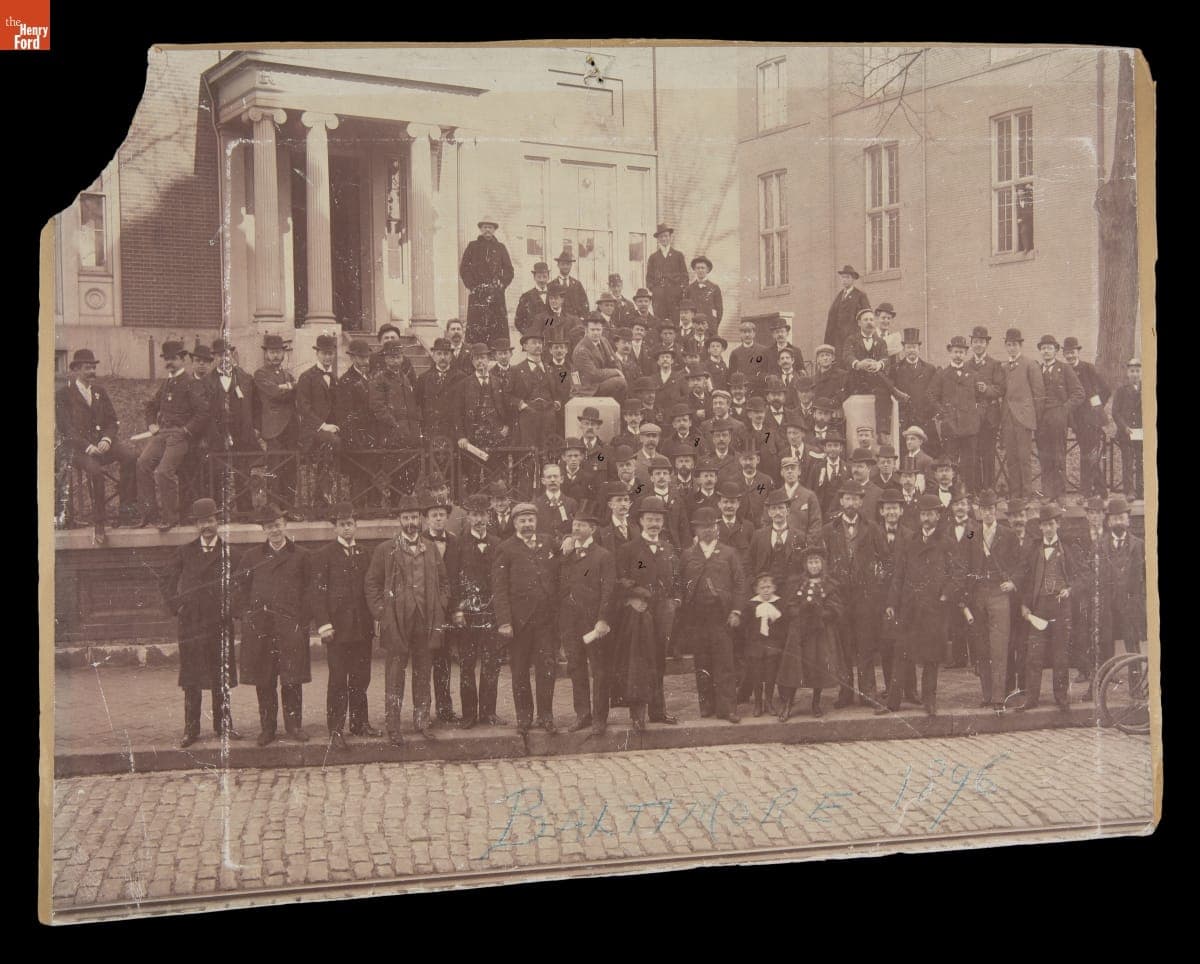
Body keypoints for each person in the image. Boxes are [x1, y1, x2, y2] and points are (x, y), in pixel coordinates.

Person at [366, 495, 450, 744]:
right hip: (397, 621)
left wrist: (441, 606)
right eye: (406, 518)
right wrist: (382, 613)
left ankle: (422, 721)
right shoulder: (386, 550)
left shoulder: (430, 548)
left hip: (426, 619)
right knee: (395, 673)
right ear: (399, 520)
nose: (411, 522)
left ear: (421, 519)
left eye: (414, 517)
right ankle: (393, 725)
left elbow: (444, 582)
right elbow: (371, 584)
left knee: (423, 671)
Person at [158, 497, 240, 747]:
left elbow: (241, 585)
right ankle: (191, 729)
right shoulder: (184, 552)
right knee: (192, 678)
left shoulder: (230, 552)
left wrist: (230, 608)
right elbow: (166, 581)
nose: (207, 525)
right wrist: (178, 607)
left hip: (219, 623)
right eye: (202, 521)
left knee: (220, 677)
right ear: (196, 525)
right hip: (191, 624)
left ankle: (223, 726)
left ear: (218, 522)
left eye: (211, 520)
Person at [236, 506, 311, 746]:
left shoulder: (301, 555)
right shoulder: (251, 557)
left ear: (285, 525)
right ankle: (267, 728)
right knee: (264, 679)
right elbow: (239, 590)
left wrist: (302, 619)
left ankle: (294, 726)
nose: (274, 530)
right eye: (269, 526)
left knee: (292, 678)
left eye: (278, 524)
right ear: (263, 529)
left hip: (291, 627)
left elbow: (310, 591)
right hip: (262, 628)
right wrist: (247, 616)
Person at [878, 494, 957, 717]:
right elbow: (899, 575)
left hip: (934, 608)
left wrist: (945, 595)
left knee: (931, 658)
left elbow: (958, 574)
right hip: (909, 608)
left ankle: (929, 701)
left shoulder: (946, 543)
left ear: (938, 516)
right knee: (901, 653)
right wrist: (892, 603)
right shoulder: (910, 542)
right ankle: (892, 702)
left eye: (930, 514)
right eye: (923, 514)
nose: (926, 519)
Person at [309, 502, 379, 749]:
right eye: (342, 525)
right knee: (338, 678)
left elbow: (373, 588)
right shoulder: (324, 555)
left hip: (362, 628)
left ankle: (360, 723)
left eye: (350, 524)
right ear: (334, 528)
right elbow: (317, 594)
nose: (347, 529)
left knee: (361, 677)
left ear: (356, 525)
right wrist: (324, 625)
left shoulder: (365, 554)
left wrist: (375, 619)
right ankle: (336, 728)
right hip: (337, 631)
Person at [55, 348, 140, 541]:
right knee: (95, 472)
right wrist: (87, 446)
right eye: (87, 368)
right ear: (76, 370)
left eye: (93, 368)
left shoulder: (100, 391)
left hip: (102, 445)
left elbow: (112, 420)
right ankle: (99, 523)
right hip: (78, 450)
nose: (92, 372)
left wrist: (107, 439)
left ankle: (126, 509)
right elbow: (66, 429)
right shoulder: (63, 395)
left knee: (131, 456)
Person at [492, 502, 561, 735]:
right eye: (523, 521)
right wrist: (504, 621)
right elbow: (499, 587)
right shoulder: (506, 548)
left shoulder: (548, 542)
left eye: (531, 520)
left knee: (546, 669)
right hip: (519, 622)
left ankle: (546, 715)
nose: (528, 524)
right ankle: (524, 717)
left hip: (545, 621)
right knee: (520, 671)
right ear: (514, 524)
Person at [614, 496, 681, 724]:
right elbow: (620, 579)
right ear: (641, 521)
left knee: (659, 660)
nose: (654, 524)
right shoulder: (628, 549)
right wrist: (634, 596)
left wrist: (674, 601)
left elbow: (676, 578)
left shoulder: (668, 548)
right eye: (650, 519)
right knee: (639, 661)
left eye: (658, 520)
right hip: (639, 613)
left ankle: (658, 711)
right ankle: (638, 713)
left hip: (662, 612)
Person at [823, 481, 889, 707]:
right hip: (840, 597)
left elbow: (885, 561)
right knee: (844, 646)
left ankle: (868, 692)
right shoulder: (829, 530)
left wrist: (874, 586)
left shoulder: (872, 529)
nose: (851, 503)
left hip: (865, 597)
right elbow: (823, 563)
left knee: (865, 645)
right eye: (847, 498)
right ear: (841, 501)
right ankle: (846, 692)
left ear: (861, 502)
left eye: (855, 499)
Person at [678, 508, 745, 722]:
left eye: (712, 526)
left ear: (717, 528)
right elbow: (680, 584)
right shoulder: (688, 555)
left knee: (725, 661)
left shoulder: (729, 553)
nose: (708, 530)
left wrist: (736, 610)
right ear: (696, 529)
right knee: (702, 661)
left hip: (721, 616)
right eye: (703, 526)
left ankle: (728, 708)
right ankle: (706, 705)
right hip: (697, 617)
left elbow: (740, 584)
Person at [139, 340, 210, 532]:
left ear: (183, 359)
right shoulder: (167, 383)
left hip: (180, 437)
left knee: (163, 471)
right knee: (142, 463)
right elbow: (151, 406)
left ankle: (170, 517)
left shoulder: (191, 383)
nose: (169, 362)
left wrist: (186, 431)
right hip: (162, 434)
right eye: (167, 359)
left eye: (173, 359)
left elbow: (203, 413)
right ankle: (150, 513)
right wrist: (151, 423)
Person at [1017, 503, 1082, 711]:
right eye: (1044, 525)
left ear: (1058, 525)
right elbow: (1026, 580)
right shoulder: (1034, 550)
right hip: (1039, 608)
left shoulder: (1068, 549)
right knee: (1034, 655)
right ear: (1040, 527)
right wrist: (1025, 605)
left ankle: (1062, 699)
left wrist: (1070, 589)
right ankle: (1031, 699)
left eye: (1051, 524)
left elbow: (1083, 576)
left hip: (1061, 608)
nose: (1047, 529)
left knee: (1060, 655)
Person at [558, 510, 617, 735]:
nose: (576, 529)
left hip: (593, 622)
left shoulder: (603, 555)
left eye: (581, 525)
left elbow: (608, 590)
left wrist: (603, 619)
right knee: (576, 668)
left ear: (592, 529)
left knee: (600, 670)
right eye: (574, 525)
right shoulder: (567, 553)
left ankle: (600, 718)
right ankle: (582, 715)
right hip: (569, 622)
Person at [451, 494, 506, 728]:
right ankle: (469, 715)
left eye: (483, 514)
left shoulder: (497, 544)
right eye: (474, 515)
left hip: (491, 613)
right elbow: (453, 580)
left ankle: (488, 713)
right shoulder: (458, 544)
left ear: (488, 516)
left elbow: (502, 581)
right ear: (468, 517)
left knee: (491, 663)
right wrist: (457, 610)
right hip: (468, 613)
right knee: (467, 664)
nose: (479, 519)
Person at [776, 546, 844, 720]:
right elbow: (789, 605)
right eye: (810, 562)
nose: (814, 566)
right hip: (799, 631)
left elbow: (836, 608)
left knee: (819, 665)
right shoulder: (797, 583)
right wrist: (800, 611)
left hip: (820, 631)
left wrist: (821, 613)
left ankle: (816, 702)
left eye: (817, 562)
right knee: (794, 667)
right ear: (805, 565)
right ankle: (788, 704)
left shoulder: (830, 585)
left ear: (822, 564)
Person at [423, 496, 462, 726]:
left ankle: (445, 709)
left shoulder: (455, 542)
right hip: (426, 611)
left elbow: (457, 577)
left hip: (447, 610)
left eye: (441, 515)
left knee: (444, 662)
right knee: (424, 661)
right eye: (433, 515)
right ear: (426, 519)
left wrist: (455, 607)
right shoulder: (418, 541)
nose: (438, 519)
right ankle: (423, 711)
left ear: (447, 518)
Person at [875, 489, 917, 705]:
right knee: (886, 645)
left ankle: (910, 690)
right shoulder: (874, 534)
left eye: (895, 508)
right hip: (881, 597)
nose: (891, 512)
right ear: (882, 511)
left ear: (901, 511)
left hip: (903, 598)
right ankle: (891, 688)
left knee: (906, 643)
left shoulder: (910, 535)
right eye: (887, 508)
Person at [1098, 497, 1146, 674]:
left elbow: (1146, 577)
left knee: (1132, 647)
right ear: (1109, 521)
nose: (1118, 521)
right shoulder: (1100, 545)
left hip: (1130, 604)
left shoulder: (1139, 545)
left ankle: (1136, 690)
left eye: (1121, 517)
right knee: (1105, 646)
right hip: (1107, 606)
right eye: (1114, 518)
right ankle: (1103, 686)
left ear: (1128, 519)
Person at [929, 335, 982, 493]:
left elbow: (982, 398)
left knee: (969, 462)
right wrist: (942, 413)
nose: (958, 355)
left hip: (969, 426)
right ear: (950, 353)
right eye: (955, 352)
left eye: (961, 352)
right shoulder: (942, 374)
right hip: (950, 427)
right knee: (950, 461)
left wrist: (977, 414)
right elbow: (931, 395)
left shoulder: (973, 374)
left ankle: (969, 493)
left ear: (966, 354)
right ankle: (951, 493)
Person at [294, 333, 342, 508]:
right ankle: (322, 498)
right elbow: (303, 408)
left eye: (331, 353)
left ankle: (331, 497)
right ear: (317, 354)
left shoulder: (335, 378)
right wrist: (323, 426)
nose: (328, 357)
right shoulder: (307, 377)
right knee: (332, 442)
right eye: (324, 353)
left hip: (330, 430)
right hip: (312, 430)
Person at [253, 333, 298, 512]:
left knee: (291, 468)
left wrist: (287, 387)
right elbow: (273, 393)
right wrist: (288, 387)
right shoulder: (261, 373)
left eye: (279, 352)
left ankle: (289, 507)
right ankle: (274, 508)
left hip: (291, 427)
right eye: (272, 352)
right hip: (273, 428)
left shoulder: (287, 374)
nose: (276, 356)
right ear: (266, 353)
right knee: (275, 468)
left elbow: (296, 389)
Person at [1062, 336, 1112, 499]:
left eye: (1073, 352)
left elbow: (1105, 390)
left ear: (1078, 352)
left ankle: (1085, 493)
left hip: (1091, 421)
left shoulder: (1087, 368)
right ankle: (1101, 491)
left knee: (1088, 456)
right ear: (1064, 354)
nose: (1070, 356)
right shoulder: (1064, 370)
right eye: (1067, 353)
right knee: (1088, 455)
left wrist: (1095, 407)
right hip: (1077, 422)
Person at [333, 339, 375, 510]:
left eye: (366, 357)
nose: (365, 361)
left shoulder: (372, 377)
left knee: (373, 472)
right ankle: (358, 509)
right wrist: (354, 438)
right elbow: (344, 413)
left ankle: (373, 508)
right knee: (358, 475)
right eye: (360, 358)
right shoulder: (346, 381)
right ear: (352, 358)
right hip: (356, 437)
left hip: (373, 435)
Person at [459, 217, 515, 346]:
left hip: (496, 295)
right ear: (480, 229)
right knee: (478, 329)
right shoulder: (473, 246)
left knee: (497, 330)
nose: (487, 230)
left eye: (490, 227)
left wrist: (501, 284)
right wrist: (472, 286)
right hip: (478, 294)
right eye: (485, 227)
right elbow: (464, 268)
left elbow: (509, 270)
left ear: (494, 230)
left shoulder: (501, 248)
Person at [843, 308, 897, 439]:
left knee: (884, 392)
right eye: (866, 320)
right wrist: (858, 364)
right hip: (856, 380)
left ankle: (883, 432)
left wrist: (878, 365)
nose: (869, 322)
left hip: (874, 381)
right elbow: (847, 356)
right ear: (859, 323)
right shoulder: (851, 340)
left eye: (872, 319)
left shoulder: (880, 342)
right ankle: (895, 390)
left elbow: (885, 358)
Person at [741, 572, 787, 717]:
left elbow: (783, 626)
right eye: (762, 587)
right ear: (756, 590)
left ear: (774, 588)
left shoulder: (779, 603)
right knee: (756, 673)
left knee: (771, 674)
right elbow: (745, 624)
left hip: (772, 644)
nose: (766, 590)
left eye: (768, 587)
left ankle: (768, 701)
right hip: (755, 644)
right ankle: (758, 703)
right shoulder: (751, 604)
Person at [888, 328, 940, 457]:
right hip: (904, 420)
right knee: (904, 454)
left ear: (919, 349)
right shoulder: (895, 369)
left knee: (930, 454)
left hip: (924, 420)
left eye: (914, 347)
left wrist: (931, 412)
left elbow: (935, 393)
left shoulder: (929, 369)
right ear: (904, 349)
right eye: (908, 347)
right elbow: (891, 392)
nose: (912, 350)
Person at [967, 327, 1005, 492]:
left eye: (981, 342)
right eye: (975, 342)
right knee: (973, 453)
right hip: (972, 416)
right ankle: (975, 489)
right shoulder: (967, 364)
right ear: (971, 344)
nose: (978, 345)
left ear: (987, 344)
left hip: (990, 416)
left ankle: (989, 489)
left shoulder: (995, 364)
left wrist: (987, 389)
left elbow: (1001, 389)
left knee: (988, 454)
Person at [572, 315, 627, 401]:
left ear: (602, 330)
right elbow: (593, 375)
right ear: (586, 330)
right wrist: (616, 372)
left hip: (601, 381)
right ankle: (619, 410)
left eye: (598, 330)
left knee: (625, 377)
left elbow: (615, 360)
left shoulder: (603, 340)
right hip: (588, 389)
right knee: (620, 382)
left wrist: (618, 369)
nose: (596, 333)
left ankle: (620, 410)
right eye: (592, 330)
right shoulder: (581, 350)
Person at [1112, 359, 1143, 499]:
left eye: (1137, 371)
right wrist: (1124, 427)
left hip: (1142, 432)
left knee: (1141, 461)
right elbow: (1115, 412)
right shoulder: (1121, 390)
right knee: (1128, 462)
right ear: (1127, 373)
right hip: (1127, 432)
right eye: (1132, 371)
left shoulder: (1146, 388)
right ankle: (1129, 491)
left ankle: (1141, 490)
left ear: (1141, 373)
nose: (1135, 374)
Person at [823, 264, 871, 354]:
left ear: (853, 279)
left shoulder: (860, 296)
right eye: (843, 277)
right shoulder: (839, 296)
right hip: (838, 340)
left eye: (847, 277)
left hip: (852, 339)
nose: (844, 280)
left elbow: (867, 317)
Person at [646, 224, 688, 323]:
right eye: (661, 237)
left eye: (666, 236)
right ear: (658, 239)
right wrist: (655, 290)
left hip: (675, 298)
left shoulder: (678, 255)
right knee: (659, 323)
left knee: (675, 324)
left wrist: (680, 290)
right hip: (659, 299)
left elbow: (685, 276)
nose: (664, 239)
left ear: (670, 237)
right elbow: (649, 278)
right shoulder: (653, 257)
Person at [515, 261, 552, 336]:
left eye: (544, 277)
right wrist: (529, 334)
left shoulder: (554, 295)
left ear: (548, 277)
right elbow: (518, 321)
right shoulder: (526, 297)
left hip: (550, 337)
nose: (542, 280)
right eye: (539, 277)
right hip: (533, 338)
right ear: (534, 277)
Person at [729, 320, 770, 389]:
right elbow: (732, 373)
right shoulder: (735, 353)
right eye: (744, 332)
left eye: (749, 332)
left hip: (759, 386)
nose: (747, 335)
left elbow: (767, 370)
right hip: (743, 387)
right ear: (740, 334)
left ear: (754, 334)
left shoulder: (763, 350)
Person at [686, 255, 723, 325]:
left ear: (707, 270)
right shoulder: (689, 288)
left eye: (703, 268)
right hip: (694, 326)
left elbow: (719, 311)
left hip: (709, 326)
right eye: (698, 268)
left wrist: (713, 324)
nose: (700, 270)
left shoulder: (714, 288)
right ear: (695, 270)